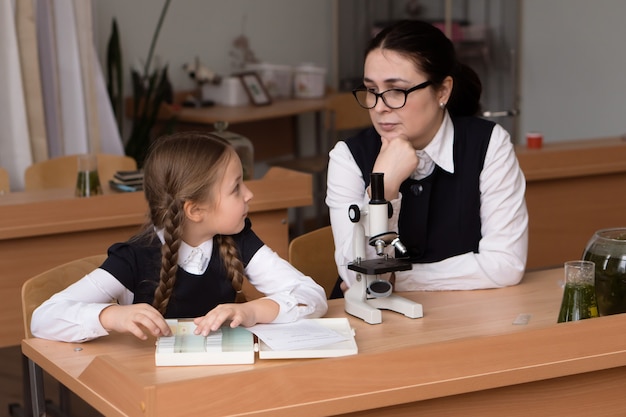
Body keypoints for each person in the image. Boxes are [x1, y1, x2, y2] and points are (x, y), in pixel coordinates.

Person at [31, 132, 328, 343]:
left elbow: (312, 296)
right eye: (237, 187)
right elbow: (43, 319)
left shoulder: (239, 239)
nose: (249, 194)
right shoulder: (135, 256)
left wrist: (251, 311)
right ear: (195, 210)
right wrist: (113, 316)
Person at [326, 20, 528, 294]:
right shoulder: (348, 157)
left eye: (396, 90)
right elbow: (357, 276)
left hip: (464, 319)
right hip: (372, 324)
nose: (380, 107)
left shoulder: (489, 144)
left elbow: (505, 265)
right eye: (371, 90)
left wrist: (395, 280)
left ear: (443, 90)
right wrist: (383, 189)